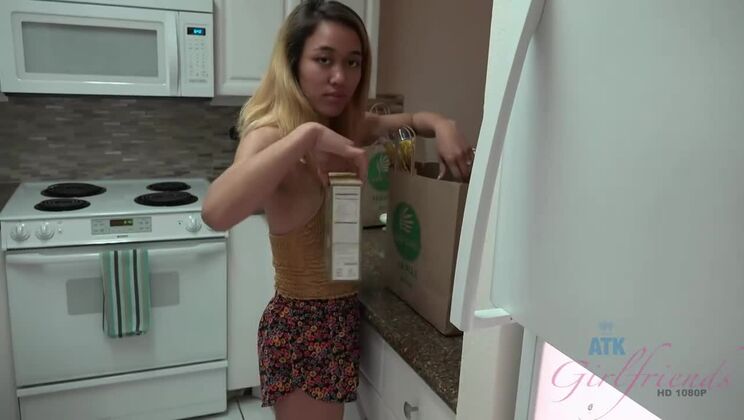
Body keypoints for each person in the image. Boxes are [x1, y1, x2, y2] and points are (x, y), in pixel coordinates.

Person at [202, 1, 473, 419]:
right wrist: (306, 136)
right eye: (323, 60)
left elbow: (413, 120)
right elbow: (215, 212)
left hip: (340, 318)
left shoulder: (349, 126)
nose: (340, 77)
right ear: (294, 62)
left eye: (353, 62)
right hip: (302, 328)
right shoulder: (270, 134)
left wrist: (443, 125)